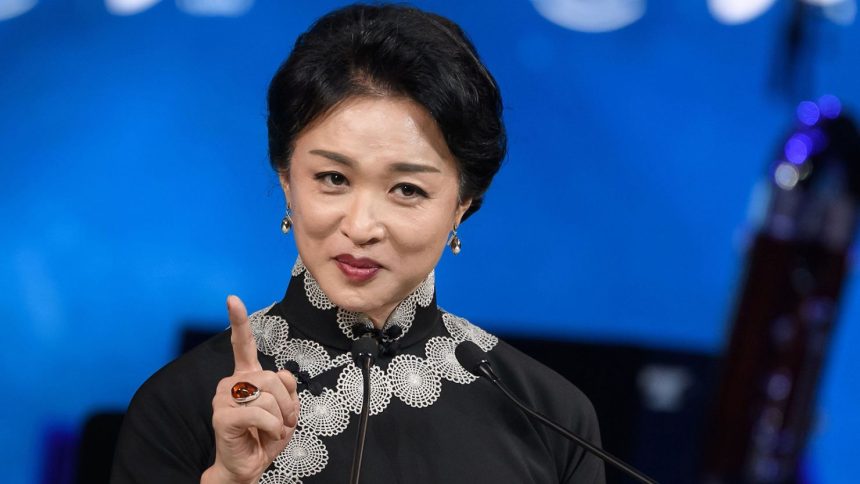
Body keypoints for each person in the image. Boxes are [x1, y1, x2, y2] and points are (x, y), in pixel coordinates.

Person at [111, 4, 605, 483]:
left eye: (407, 189)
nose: (362, 225)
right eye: (332, 178)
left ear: (463, 204)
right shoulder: (180, 405)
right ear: (286, 179)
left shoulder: (550, 417)